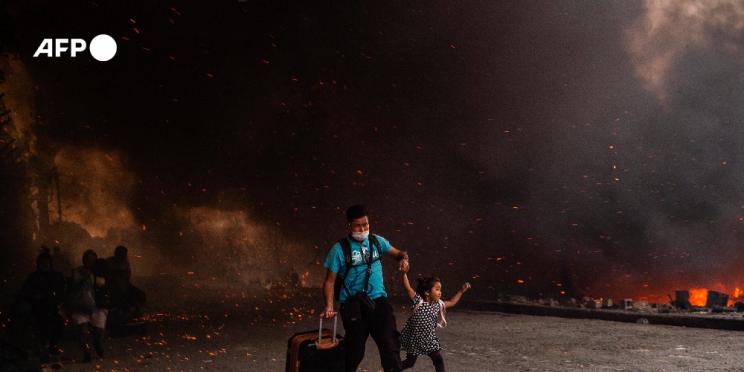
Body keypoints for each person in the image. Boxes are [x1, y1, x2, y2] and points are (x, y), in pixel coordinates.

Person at [322, 204, 410, 372]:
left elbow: (400, 253)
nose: (362, 229)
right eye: (358, 225)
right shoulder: (339, 249)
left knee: (390, 346)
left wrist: (404, 260)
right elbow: (329, 282)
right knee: (354, 352)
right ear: (349, 225)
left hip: (378, 301)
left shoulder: (377, 242)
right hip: (353, 305)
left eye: (366, 224)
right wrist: (329, 306)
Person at [399, 268, 471, 372]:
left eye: (440, 289)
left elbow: (452, 302)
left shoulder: (438, 304)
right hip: (414, 340)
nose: (440, 292)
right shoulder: (418, 301)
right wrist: (404, 273)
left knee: (438, 359)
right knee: (410, 362)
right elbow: (408, 288)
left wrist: (461, 291)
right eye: (437, 289)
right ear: (427, 292)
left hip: (429, 340)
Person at [20, 248, 66, 362]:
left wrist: (58, 300)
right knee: (42, 331)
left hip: (53, 308)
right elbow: (25, 292)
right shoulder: (33, 277)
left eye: (46, 263)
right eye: (42, 263)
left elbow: (62, 290)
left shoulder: (56, 276)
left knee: (59, 326)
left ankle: (52, 347)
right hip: (38, 310)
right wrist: (35, 297)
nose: (44, 265)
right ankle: (43, 352)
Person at [67, 249, 108, 362]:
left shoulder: (100, 272)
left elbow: (104, 287)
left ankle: (98, 346)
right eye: (87, 259)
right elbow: (70, 288)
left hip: (97, 306)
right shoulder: (76, 272)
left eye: (91, 260)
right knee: (81, 331)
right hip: (79, 305)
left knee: (98, 333)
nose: (89, 262)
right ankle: (86, 353)